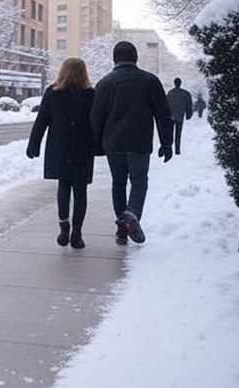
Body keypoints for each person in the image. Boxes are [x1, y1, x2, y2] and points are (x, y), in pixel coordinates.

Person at [90, 41, 173, 246]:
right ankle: (132, 213)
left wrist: (96, 145)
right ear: (136, 57)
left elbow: (96, 118)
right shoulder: (150, 81)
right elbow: (163, 115)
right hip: (139, 142)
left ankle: (121, 229)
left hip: (114, 143)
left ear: (114, 58)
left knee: (118, 183)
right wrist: (167, 142)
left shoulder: (105, 83)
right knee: (139, 182)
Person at [26, 57, 96, 249]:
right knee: (81, 191)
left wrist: (34, 145)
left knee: (63, 186)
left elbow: (41, 121)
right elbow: (97, 123)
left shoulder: (53, 93)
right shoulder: (91, 94)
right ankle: (77, 233)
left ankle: (64, 225)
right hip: (83, 148)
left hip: (60, 147)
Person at [166, 77, 193, 155]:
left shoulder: (170, 93)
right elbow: (189, 105)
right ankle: (177, 150)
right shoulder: (185, 93)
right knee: (178, 134)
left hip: (171, 116)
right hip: (180, 116)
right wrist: (188, 114)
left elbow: (166, 104)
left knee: (170, 133)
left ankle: (169, 149)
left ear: (174, 83)